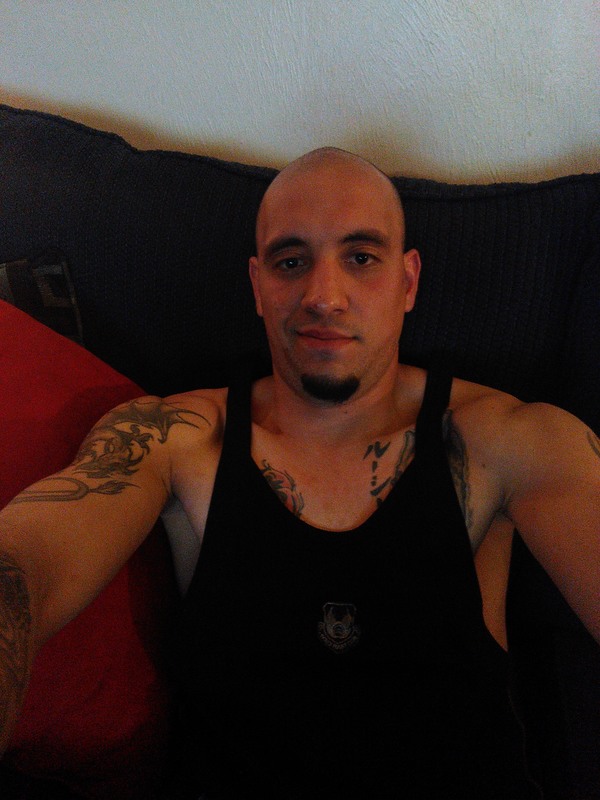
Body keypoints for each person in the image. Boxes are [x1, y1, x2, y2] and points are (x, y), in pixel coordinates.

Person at [0, 147, 598, 798]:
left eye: (361, 257)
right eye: (291, 262)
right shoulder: (175, 440)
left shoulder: (505, 440)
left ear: (408, 282)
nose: (323, 296)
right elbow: (27, 565)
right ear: (258, 286)